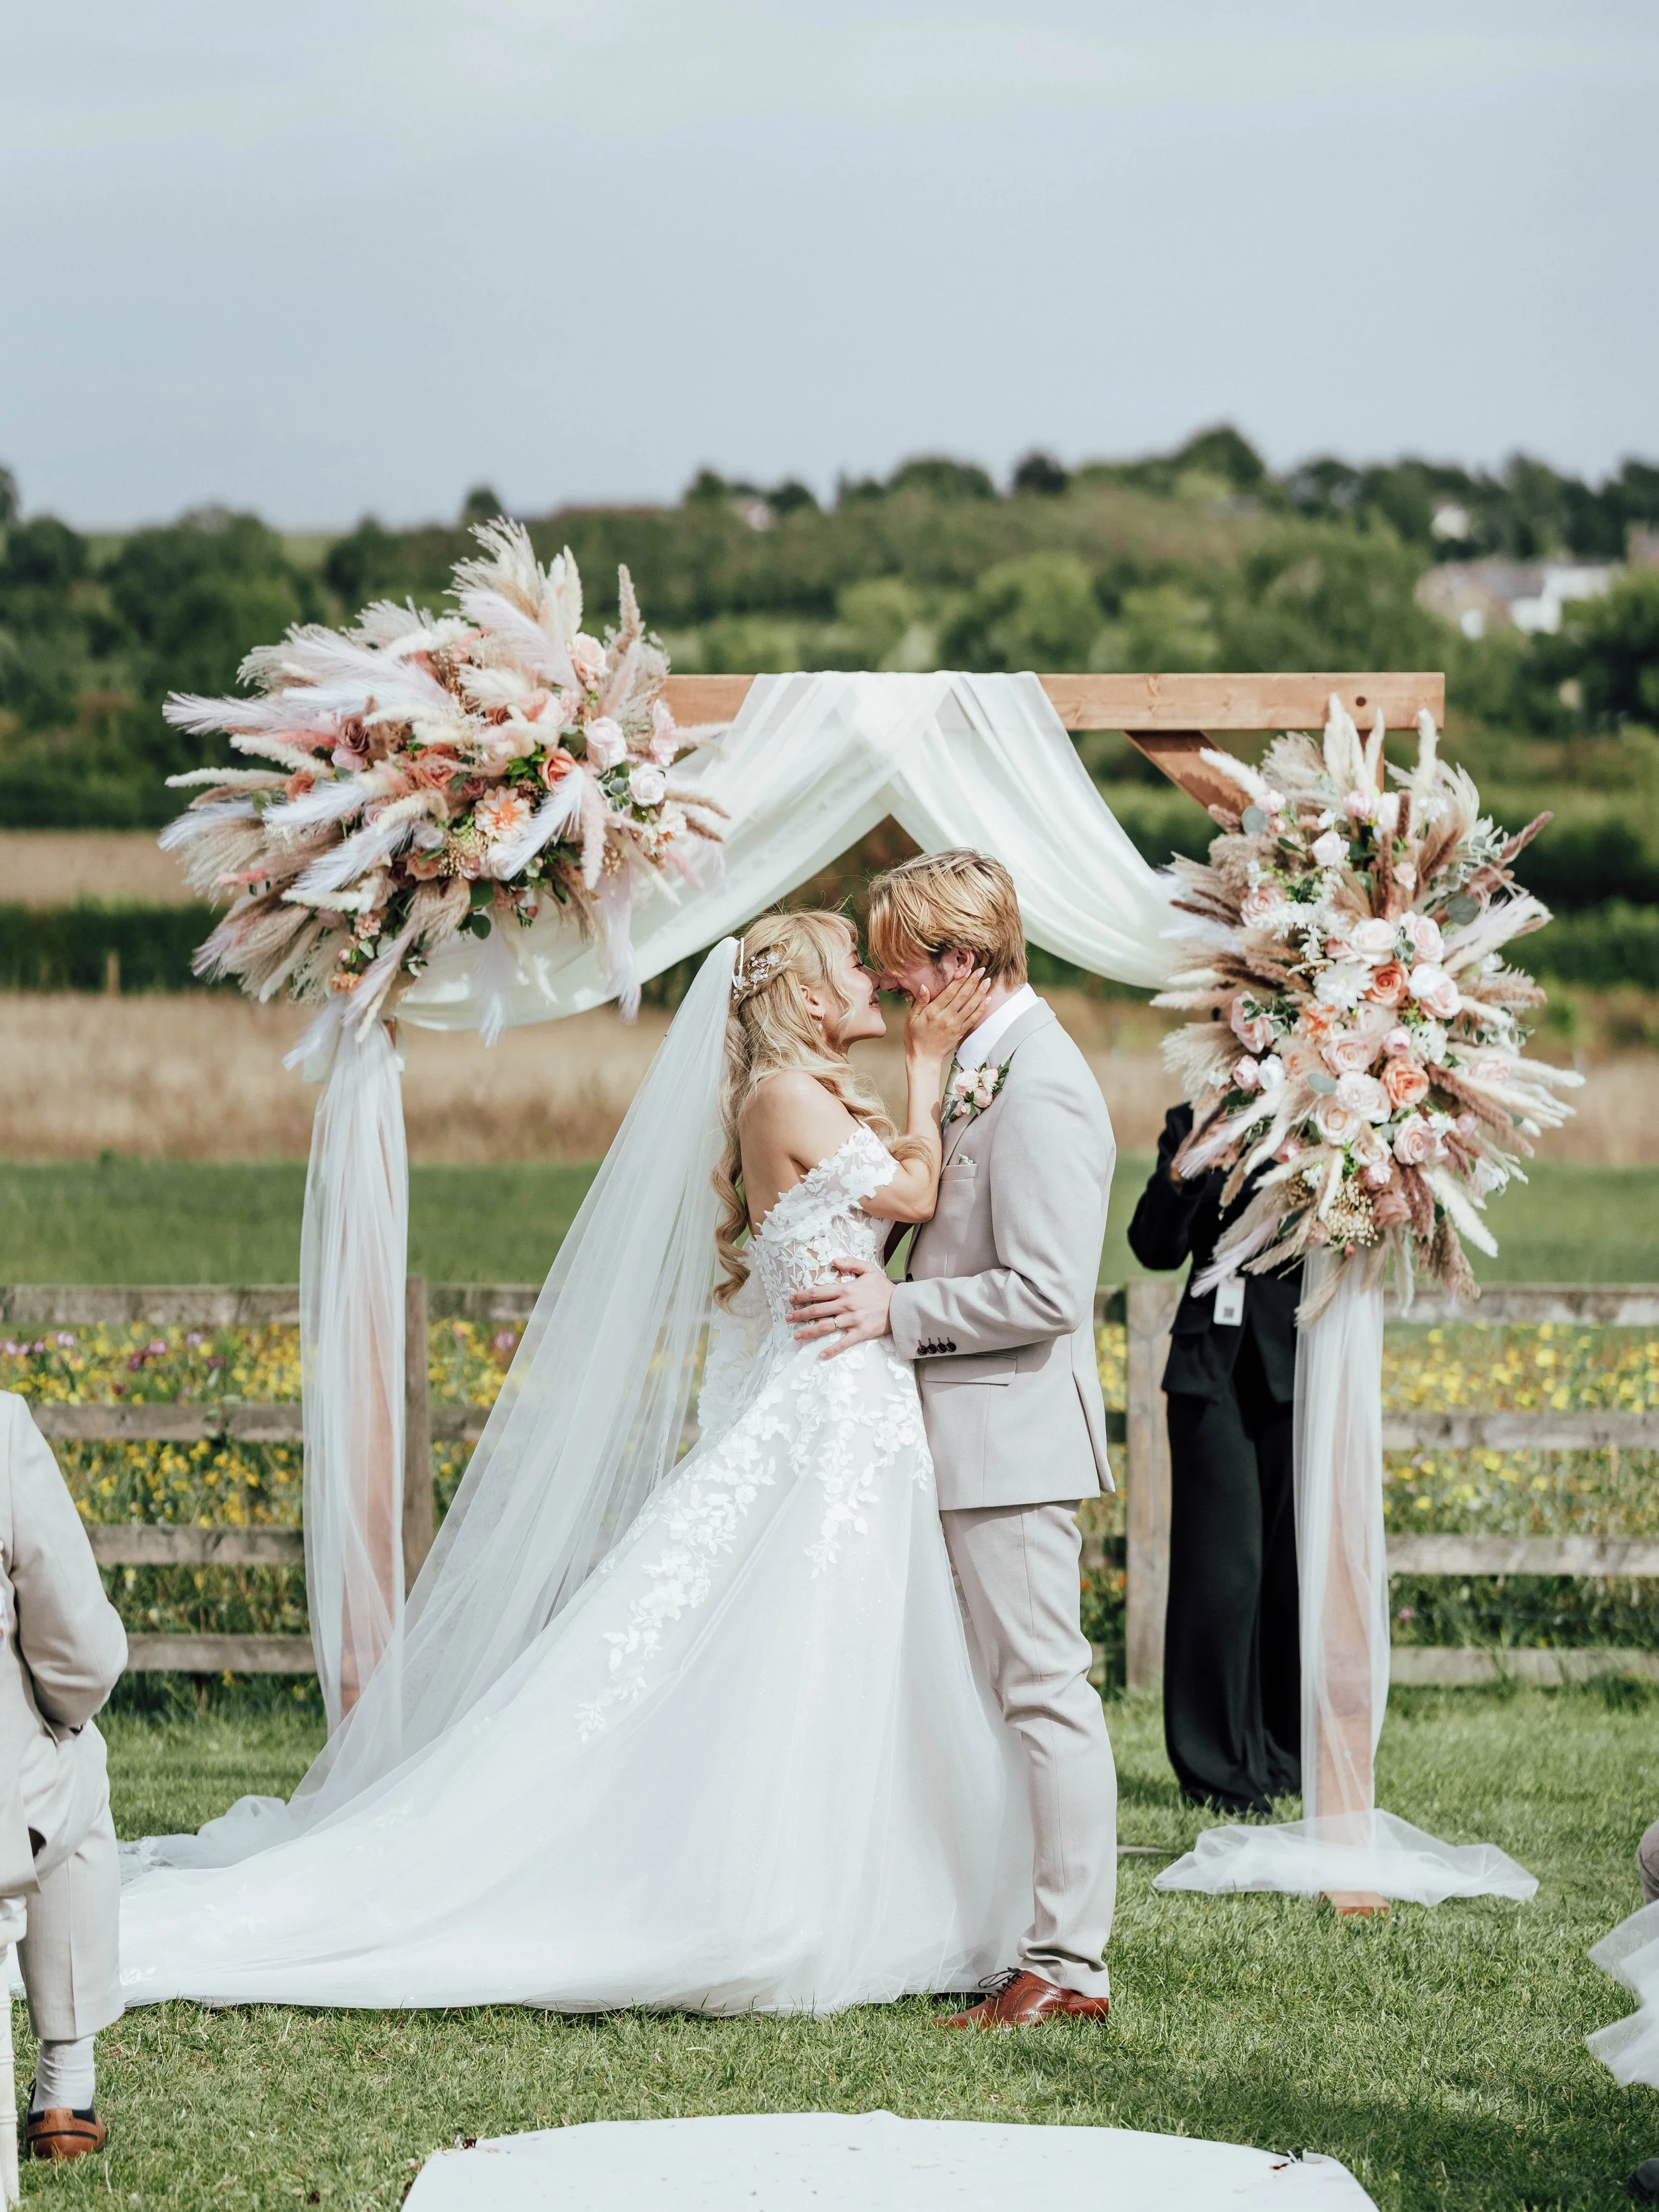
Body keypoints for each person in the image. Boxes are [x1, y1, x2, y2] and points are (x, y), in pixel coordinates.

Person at [118, 916, 1037, 2013]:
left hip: (848, 1409)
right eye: (851, 960)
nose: (874, 978)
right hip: (826, 1416)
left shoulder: (818, 1092)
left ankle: (890, 1887)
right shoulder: (781, 1097)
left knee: (854, 1647)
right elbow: (917, 1196)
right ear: (801, 989)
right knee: (796, 1649)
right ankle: (762, 1896)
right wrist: (931, 1068)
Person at [788, 851, 1118, 2027]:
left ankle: (1070, 1965)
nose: (883, 991)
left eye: (897, 968)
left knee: (1045, 1691)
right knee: (1000, 1694)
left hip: (1014, 1434)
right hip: (963, 1429)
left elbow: (1046, 1290)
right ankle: (1010, 1929)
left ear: (960, 963)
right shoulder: (982, 1064)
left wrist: (897, 1309)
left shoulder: (1045, 1084)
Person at [1127, 1102, 1301, 1816]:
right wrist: (1187, 1168)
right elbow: (1152, 1245)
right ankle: (1213, 1765)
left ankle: (1284, 1754)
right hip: (1212, 1371)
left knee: (1291, 1571)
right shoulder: (1194, 1120)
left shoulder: (1337, 1112)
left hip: (1303, 1365)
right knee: (1220, 1571)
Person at [1, 1392, 127, 2161]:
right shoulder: (0, 1427)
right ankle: (64, 2092)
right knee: (77, 1759)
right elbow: (81, 1656)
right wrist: (56, 1717)